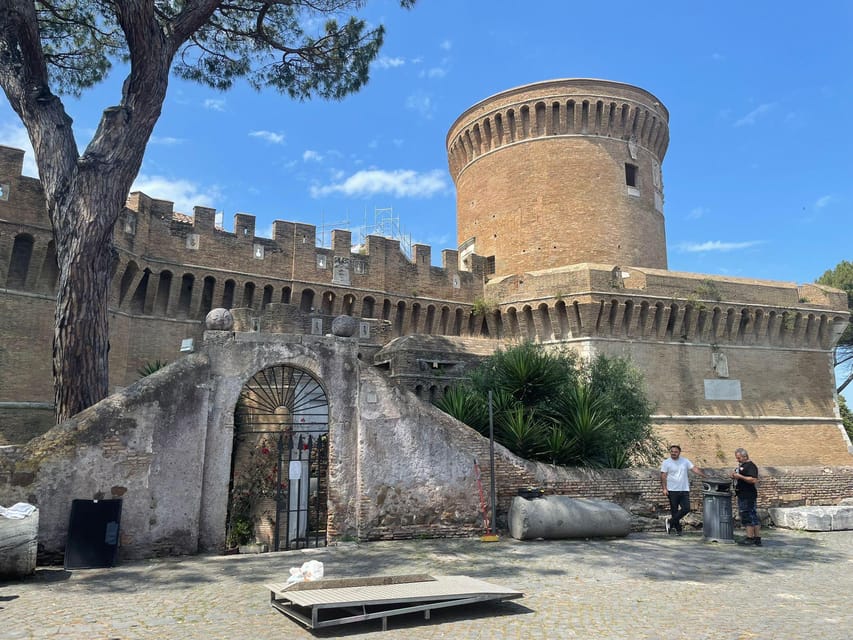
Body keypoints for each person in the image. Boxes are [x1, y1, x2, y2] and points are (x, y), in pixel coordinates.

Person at [660, 445, 706, 535]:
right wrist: (664, 488)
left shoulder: (685, 461)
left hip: (684, 489)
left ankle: (670, 522)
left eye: (675, 452)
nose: (673, 453)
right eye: (672, 451)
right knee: (674, 510)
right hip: (672, 490)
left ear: (679, 452)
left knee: (686, 508)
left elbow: (694, 469)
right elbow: (663, 476)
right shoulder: (666, 462)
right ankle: (678, 530)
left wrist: (705, 476)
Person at [731, 447, 761, 546]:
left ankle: (750, 538)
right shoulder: (742, 466)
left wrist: (740, 476)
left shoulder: (751, 466)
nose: (737, 460)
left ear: (744, 456)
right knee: (753, 516)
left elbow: (753, 480)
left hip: (748, 495)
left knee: (747, 515)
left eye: (739, 458)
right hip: (743, 494)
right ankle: (757, 538)